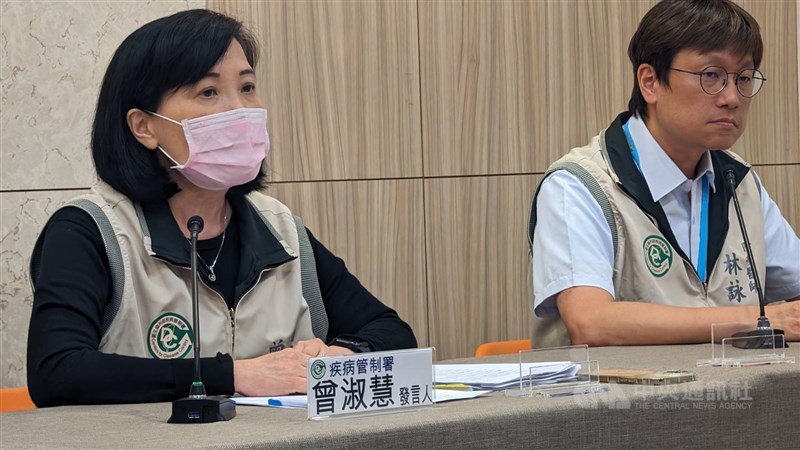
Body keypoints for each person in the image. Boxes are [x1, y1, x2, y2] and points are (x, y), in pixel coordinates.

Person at [26, 9, 416, 407]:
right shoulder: (92, 230)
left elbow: (390, 332)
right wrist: (234, 375)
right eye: (208, 93)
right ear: (144, 126)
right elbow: (57, 372)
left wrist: (339, 357)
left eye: (247, 88)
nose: (239, 110)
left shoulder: (279, 226)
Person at [528, 0, 800, 348]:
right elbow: (592, 323)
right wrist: (758, 320)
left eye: (743, 78)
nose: (732, 97)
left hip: (731, 398)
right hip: (621, 402)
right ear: (650, 82)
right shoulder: (580, 185)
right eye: (712, 76)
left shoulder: (739, 181)